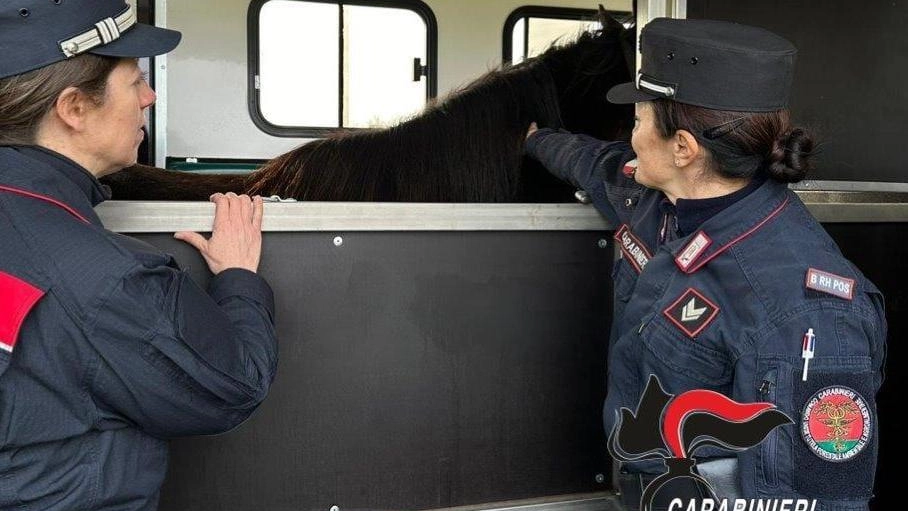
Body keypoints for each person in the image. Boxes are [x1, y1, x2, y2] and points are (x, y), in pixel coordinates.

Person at [525, 17, 886, 511]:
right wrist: (534, 139)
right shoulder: (651, 198)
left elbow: (814, 501)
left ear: (683, 148)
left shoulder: (807, 311)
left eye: (638, 121)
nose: (631, 138)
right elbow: (592, 161)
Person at [0, 1, 278, 510]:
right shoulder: (108, 280)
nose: (150, 97)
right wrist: (239, 277)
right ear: (74, 109)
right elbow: (230, 387)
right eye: (134, 82)